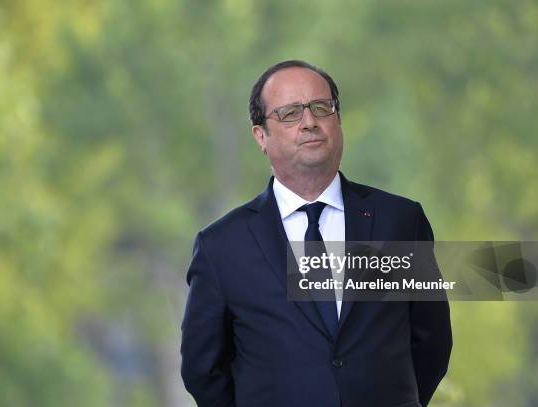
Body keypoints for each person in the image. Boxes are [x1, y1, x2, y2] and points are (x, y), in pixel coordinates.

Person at [180, 60, 452, 407]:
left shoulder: (399, 221)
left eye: (321, 108)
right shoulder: (222, 246)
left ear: (338, 120)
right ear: (260, 135)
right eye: (290, 113)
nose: (309, 122)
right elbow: (203, 369)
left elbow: (431, 342)